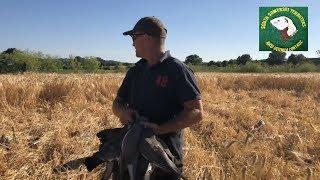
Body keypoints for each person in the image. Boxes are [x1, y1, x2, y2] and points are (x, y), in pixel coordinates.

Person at [112, 16, 203, 179]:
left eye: (134, 37)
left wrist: (161, 129)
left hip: (163, 154)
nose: (132, 43)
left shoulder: (178, 70)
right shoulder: (135, 71)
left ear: (146, 38)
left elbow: (196, 111)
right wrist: (123, 112)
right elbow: (117, 103)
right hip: (132, 149)